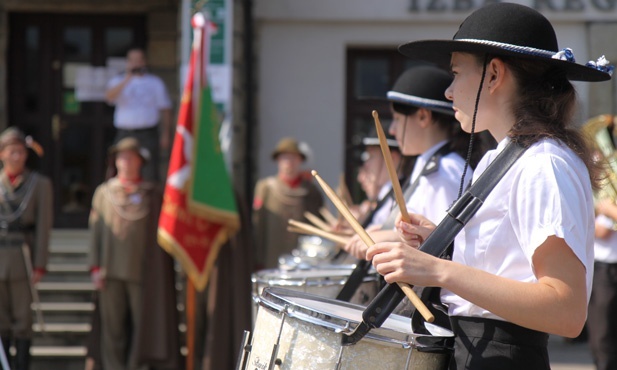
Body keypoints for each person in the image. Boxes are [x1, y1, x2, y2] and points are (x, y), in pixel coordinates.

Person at [366, 3, 613, 369]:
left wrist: (436, 270)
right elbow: (507, 268)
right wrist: (440, 245)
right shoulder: (505, 155)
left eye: (455, 74)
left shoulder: (544, 163)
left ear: (494, 74)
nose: (448, 93)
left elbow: (565, 309)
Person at [343, 65, 486, 260]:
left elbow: (448, 247)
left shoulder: (445, 170)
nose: (392, 130)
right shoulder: (427, 165)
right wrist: (386, 230)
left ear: (422, 117)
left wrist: (390, 238)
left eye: (397, 119)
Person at [88, 137, 180, 370]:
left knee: (143, 326)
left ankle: (136, 366)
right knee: (113, 328)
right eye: (121, 157)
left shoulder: (152, 193)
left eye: (130, 157)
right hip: (110, 271)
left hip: (141, 272)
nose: (125, 162)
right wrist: (95, 267)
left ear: (140, 162)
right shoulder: (104, 192)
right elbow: (95, 232)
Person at [0, 127, 52, 370]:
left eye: (20, 152)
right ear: (2, 155)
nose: (17, 157)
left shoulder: (39, 184)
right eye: (11, 152)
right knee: (1, 320)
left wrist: (40, 263)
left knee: (22, 319)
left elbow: (43, 227)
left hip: (23, 257)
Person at [252, 137, 324, 269]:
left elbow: (319, 226)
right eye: (285, 157)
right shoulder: (265, 187)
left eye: (293, 157)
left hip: (301, 261)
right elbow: (258, 225)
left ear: (300, 160)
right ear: (278, 160)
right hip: (271, 257)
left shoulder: (311, 190)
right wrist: (257, 258)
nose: (289, 162)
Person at [105, 48, 172, 182]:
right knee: (121, 166)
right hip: (125, 132)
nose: (136, 63)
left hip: (147, 133)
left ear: (144, 62)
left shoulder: (154, 82)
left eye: (139, 60)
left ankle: (147, 199)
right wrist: (128, 78)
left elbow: (165, 109)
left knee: (149, 169)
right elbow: (109, 97)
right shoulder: (118, 81)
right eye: (132, 60)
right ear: (127, 62)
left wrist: (166, 133)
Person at [588, 195, 617, 370]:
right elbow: (600, 231)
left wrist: (610, 211)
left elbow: (602, 232)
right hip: (603, 269)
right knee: (602, 334)